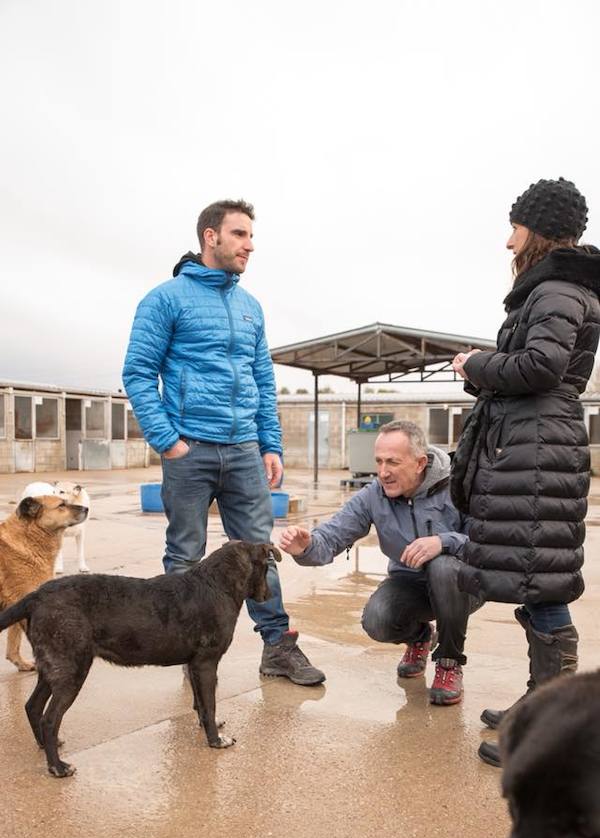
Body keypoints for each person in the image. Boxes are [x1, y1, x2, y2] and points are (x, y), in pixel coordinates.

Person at [122, 199, 324, 686]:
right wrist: (168, 441)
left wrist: (269, 444)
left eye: (251, 236)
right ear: (210, 236)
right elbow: (137, 372)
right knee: (185, 556)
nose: (249, 245)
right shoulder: (165, 299)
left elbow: (262, 379)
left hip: (244, 452)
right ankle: (183, 651)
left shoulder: (250, 307)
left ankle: (277, 647)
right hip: (189, 448)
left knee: (260, 552)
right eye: (239, 234)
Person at [450, 177, 600, 766]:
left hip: (540, 450)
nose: (507, 239)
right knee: (533, 582)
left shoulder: (559, 289)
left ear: (536, 229)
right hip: (529, 446)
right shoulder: (550, 289)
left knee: (543, 584)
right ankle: (541, 702)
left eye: (515, 226)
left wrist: (476, 362)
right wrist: (480, 372)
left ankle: (554, 725)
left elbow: (542, 366)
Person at [279, 420, 483, 705]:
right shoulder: (374, 495)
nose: (383, 472)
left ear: (420, 462)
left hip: (464, 584)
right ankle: (420, 637)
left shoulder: (460, 486)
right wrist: (306, 546)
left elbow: (488, 543)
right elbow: (332, 535)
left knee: (443, 565)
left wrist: (444, 542)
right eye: (379, 462)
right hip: (411, 584)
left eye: (393, 462)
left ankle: (449, 662)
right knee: (377, 619)